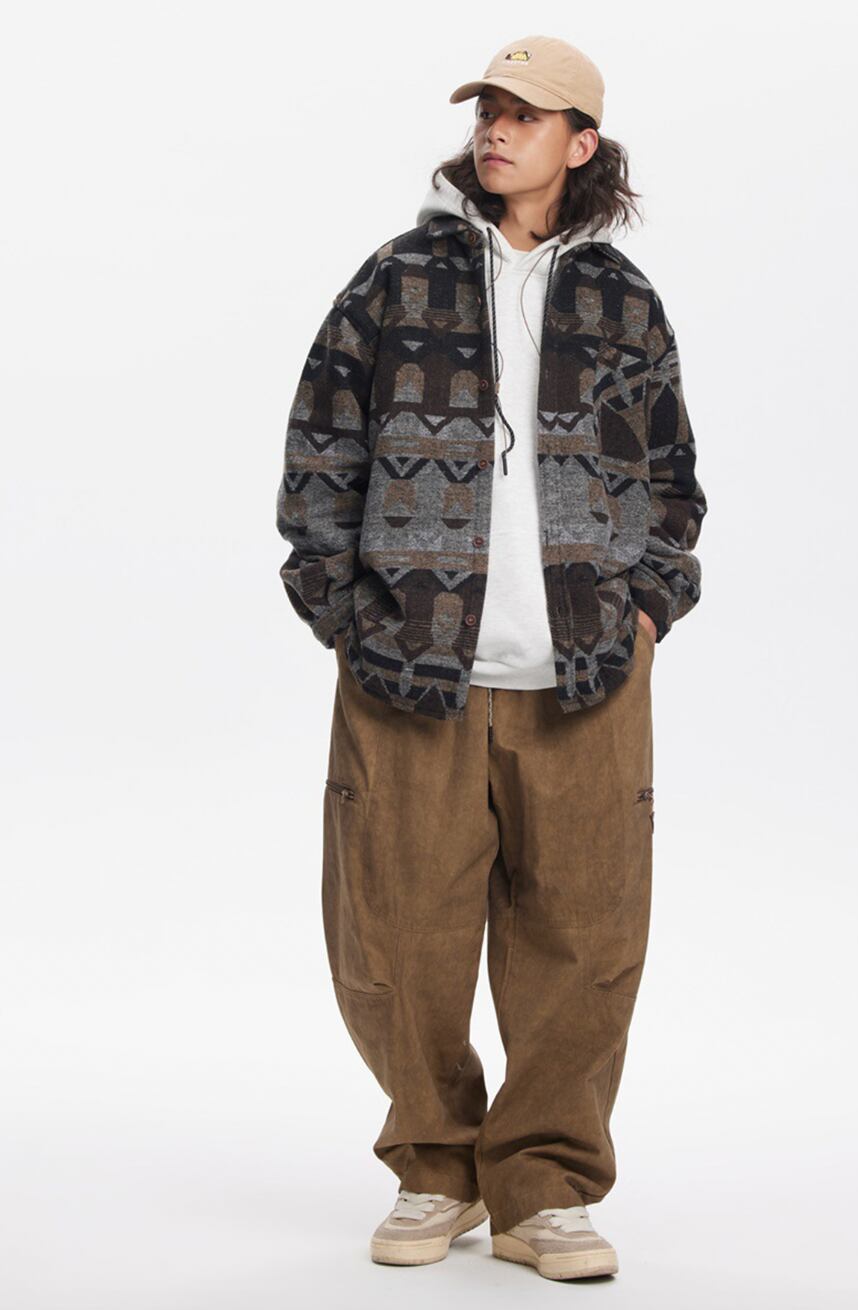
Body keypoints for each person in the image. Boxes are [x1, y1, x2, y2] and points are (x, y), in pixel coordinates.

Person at [275, 34, 707, 1282]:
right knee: (394, 932)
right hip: (411, 671)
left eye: (527, 115)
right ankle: (434, 1163)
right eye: (489, 112)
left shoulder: (623, 300)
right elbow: (319, 451)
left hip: (586, 675)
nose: (498, 131)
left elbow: (671, 476)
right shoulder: (397, 278)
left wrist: (646, 608)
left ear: (583, 142)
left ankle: (545, 1188)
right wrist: (346, 615)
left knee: (586, 937)